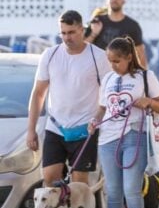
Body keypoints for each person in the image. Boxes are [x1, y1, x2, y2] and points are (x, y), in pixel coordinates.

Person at [88, 37, 159, 208]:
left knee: (132, 189)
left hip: (134, 136)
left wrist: (148, 102)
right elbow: (103, 108)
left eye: (117, 60)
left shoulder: (146, 77)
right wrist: (94, 121)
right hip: (107, 140)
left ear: (129, 57)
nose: (113, 65)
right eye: (110, 60)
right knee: (112, 192)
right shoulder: (108, 79)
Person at [27, 10, 111, 190]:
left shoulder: (99, 57)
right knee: (50, 180)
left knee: (79, 185)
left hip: (85, 128)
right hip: (56, 127)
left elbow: (108, 94)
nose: (67, 37)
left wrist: (98, 117)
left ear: (82, 29)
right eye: (63, 33)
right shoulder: (50, 55)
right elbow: (38, 93)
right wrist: (31, 130)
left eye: (71, 32)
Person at [86, 0, 147, 67]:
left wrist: (143, 76)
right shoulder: (97, 21)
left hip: (122, 73)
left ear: (123, 0)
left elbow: (140, 54)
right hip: (97, 71)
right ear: (106, 1)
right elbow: (83, 47)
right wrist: (93, 34)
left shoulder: (133, 26)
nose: (114, 0)